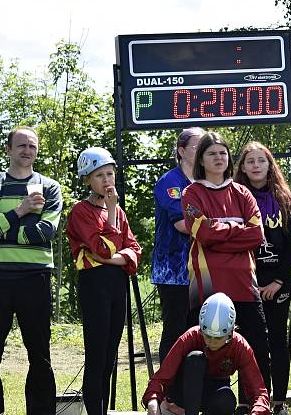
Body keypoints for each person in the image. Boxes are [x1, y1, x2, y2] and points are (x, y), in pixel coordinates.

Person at [0, 126, 62, 415]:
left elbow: (46, 232)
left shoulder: (49, 187)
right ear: (8, 149)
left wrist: (2, 225)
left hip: (34, 278)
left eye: (32, 146)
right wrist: (20, 211)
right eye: (21, 145)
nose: (26, 150)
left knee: (40, 356)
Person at [180, 131, 270, 412]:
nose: (218, 158)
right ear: (201, 161)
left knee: (257, 349)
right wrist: (235, 229)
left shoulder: (242, 193)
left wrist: (220, 231)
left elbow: (256, 235)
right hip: (208, 286)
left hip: (244, 283)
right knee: (202, 352)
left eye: (222, 153)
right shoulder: (192, 192)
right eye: (211, 154)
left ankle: (255, 406)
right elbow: (201, 233)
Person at [66, 147, 142, 415]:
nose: (107, 180)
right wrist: (110, 215)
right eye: (100, 176)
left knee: (110, 356)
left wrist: (113, 257)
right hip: (94, 284)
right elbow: (104, 248)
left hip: (116, 284)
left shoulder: (119, 212)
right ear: (87, 179)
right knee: (96, 355)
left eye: (110, 174)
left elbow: (134, 250)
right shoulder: (81, 211)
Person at [234, 142, 291, 415]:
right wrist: (250, 283)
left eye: (261, 160)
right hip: (246, 283)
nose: (256, 165)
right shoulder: (235, 198)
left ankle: (278, 402)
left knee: (277, 340)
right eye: (250, 161)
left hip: (279, 283)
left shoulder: (284, 199)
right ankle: (247, 401)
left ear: (270, 164)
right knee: (246, 343)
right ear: (242, 167)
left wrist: (278, 281)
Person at [142, 293, 270, 415]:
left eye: (218, 338)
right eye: (208, 336)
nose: (212, 342)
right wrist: (153, 402)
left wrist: (257, 412)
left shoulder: (240, 346)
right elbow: (161, 378)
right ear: (201, 329)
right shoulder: (190, 336)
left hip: (214, 391)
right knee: (196, 358)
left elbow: (259, 393)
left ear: (231, 332)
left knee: (227, 400)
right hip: (183, 392)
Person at [152, 127, 206, 363]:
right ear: (182, 151)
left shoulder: (209, 180)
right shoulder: (171, 181)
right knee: (175, 333)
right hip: (174, 272)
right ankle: (167, 393)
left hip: (204, 270)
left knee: (201, 332)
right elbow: (183, 224)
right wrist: (223, 229)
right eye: (197, 146)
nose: (204, 151)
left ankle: (195, 391)